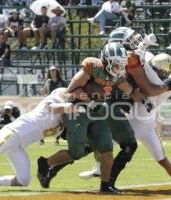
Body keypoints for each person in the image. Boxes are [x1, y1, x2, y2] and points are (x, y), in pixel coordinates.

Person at [79, 27, 171, 191]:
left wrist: (143, 48)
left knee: (162, 159)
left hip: (147, 127)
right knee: (102, 144)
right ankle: (100, 172)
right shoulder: (155, 76)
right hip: (131, 122)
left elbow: (150, 85)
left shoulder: (165, 85)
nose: (157, 72)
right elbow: (143, 69)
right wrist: (143, 47)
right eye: (156, 69)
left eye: (161, 71)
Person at [37, 42, 154, 193]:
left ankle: (105, 187)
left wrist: (144, 101)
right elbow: (70, 91)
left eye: (121, 63)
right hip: (78, 112)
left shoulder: (117, 76)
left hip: (99, 111)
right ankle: (45, 163)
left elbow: (130, 91)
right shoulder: (92, 67)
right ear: (106, 60)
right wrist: (88, 99)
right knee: (76, 153)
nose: (119, 67)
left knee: (106, 149)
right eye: (116, 63)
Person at [39, 65, 66, 145]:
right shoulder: (48, 81)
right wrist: (42, 90)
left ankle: (57, 139)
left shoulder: (62, 82)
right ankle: (41, 139)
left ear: (57, 72)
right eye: (51, 71)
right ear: (49, 72)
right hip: (49, 104)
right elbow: (43, 92)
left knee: (59, 121)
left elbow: (66, 92)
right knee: (44, 121)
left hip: (59, 104)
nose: (53, 72)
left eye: (54, 70)